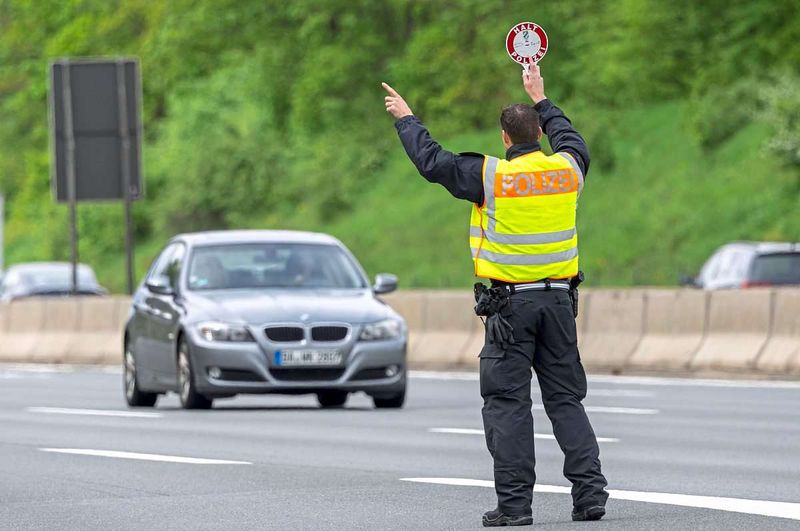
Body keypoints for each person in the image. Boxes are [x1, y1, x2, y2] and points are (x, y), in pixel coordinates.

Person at [383, 65, 608, 527]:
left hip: (510, 310)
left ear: (505, 138)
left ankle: (515, 508)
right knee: (566, 401)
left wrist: (407, 119)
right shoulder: (567, 170)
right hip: (560, 304)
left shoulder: (491, 177)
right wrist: (542, 97)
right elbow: (572, 139)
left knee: (507, 405)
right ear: (540, 134)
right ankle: (589, 496)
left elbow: (434, 162)